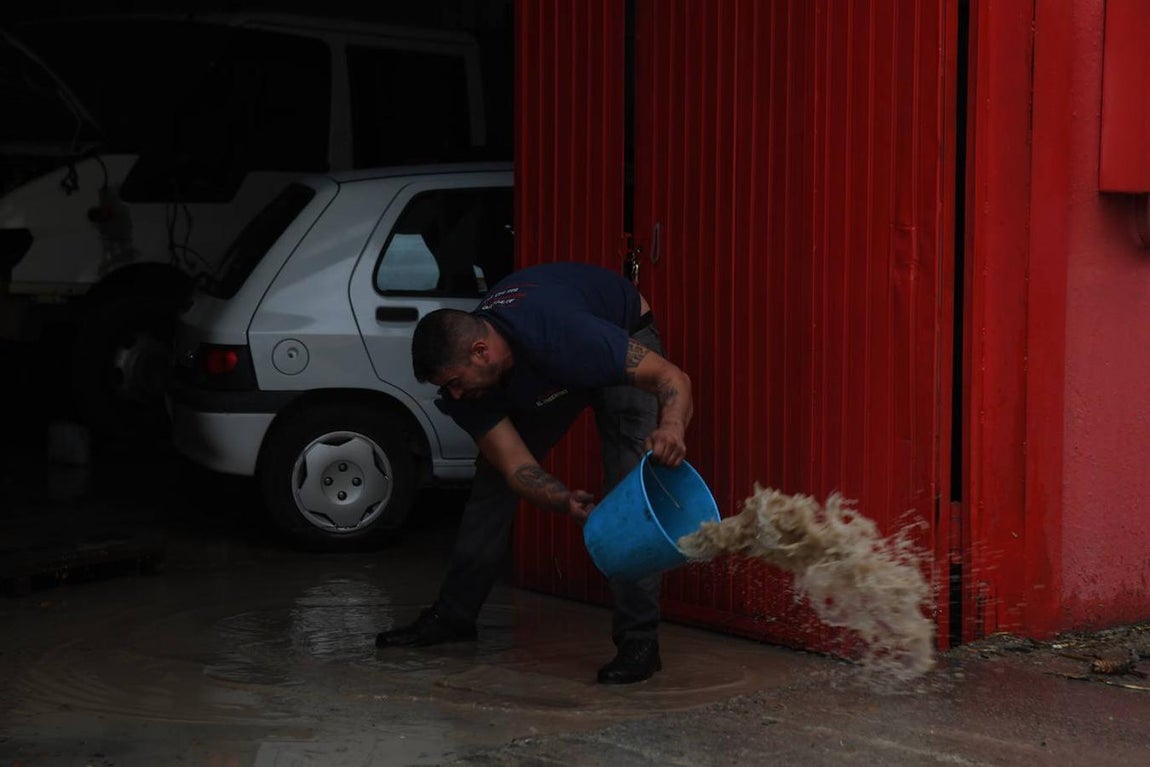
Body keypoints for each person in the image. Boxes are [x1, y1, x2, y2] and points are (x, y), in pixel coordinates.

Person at [375, 261, 693, 684]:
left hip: (619, 329)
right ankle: (453, 616)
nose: (455, 395)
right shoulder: (471, 387)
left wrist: (671, 427)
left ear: (481, 351)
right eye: (446, 387)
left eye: (454, 381)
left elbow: (672, 377)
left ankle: (640, 642)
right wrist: (561, 499)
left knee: (629, 491)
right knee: (490, 484)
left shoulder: (565, 334)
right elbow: (515, 466)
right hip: (547, 367)